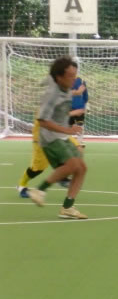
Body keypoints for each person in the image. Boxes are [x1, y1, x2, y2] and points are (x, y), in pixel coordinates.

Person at [26, 56, 89, 219]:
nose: (74, 79)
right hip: (50, 138)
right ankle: (39, 190)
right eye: (70, 76)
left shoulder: (65, 87)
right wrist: (68, 130)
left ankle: (67, 208)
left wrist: (77, 93)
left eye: (75, 75)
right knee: (72, 164)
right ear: (59, 77)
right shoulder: (52, 95)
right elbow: (42, 121)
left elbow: (50, 79)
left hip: (62, 136)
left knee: (81, 168)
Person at [16, 77, 87, 197]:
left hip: (57, 135)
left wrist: (78, 93)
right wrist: (74, 112)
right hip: (42, 137)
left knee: (77, 148)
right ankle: (22, 186)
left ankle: (63, 177)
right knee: (37, 169)